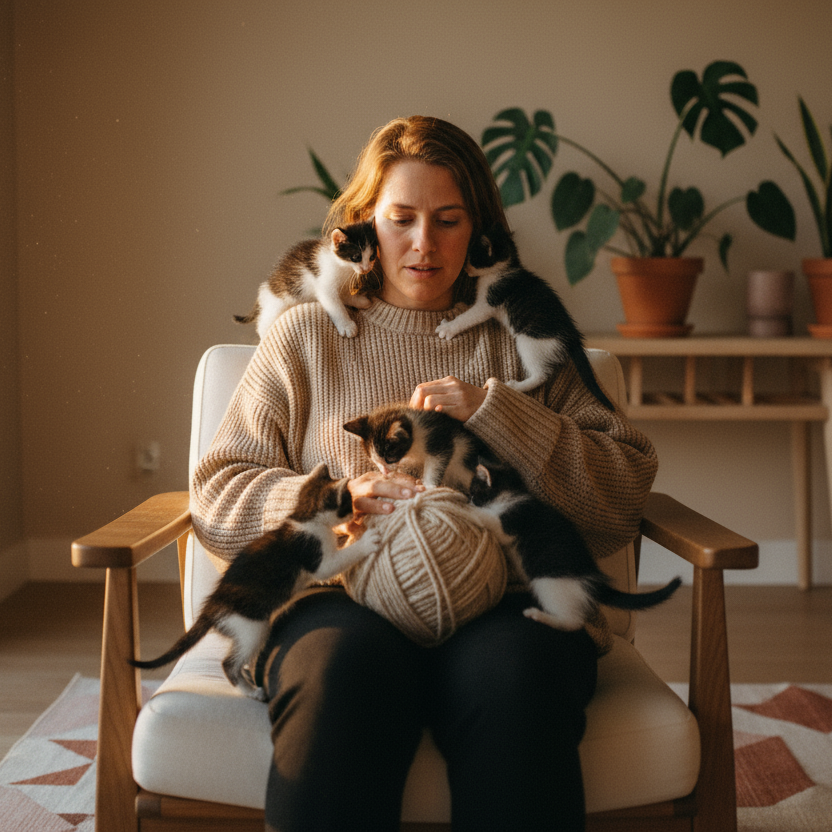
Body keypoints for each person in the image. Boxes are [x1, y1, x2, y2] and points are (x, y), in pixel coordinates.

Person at [190, 115, 658, 832]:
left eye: (448, 220)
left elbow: (621, 496)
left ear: (480, 230)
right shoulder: (304, 336)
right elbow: (218, 492)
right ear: (364, 224)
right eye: (401, 218)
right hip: (341, 601)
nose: (423, 244)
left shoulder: (526, 339)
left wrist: (500, 415)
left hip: (508, 607)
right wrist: (334, 497)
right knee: (341, 677)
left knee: (512, 683)